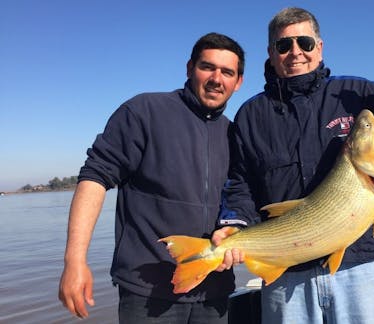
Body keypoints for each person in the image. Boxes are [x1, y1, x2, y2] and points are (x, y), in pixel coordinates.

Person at [212, 7, 374, 324]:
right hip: (285, 275)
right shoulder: (251, 115)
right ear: (270, 53)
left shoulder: (357, 94)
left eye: (305, 43)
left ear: (319, 48)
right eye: (284, 45)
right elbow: (240, 185)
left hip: (360, 270)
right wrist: (234, 226)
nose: (295, 52)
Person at [58, 32, 245, 323]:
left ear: (238, 82)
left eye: (227, 72)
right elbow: (95, 177)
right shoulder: (144, 112)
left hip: (214, 291)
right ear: (189, 68)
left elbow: (239, 199)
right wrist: (74, 260)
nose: (216, 79)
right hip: (148, 292)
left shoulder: (234, 134)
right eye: (207, 67)